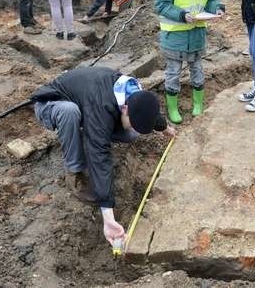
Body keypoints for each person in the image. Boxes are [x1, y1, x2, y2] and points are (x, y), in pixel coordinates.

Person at [31, 67, 175, 247]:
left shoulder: (133, 90)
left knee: (131, 134)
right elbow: (99, 155)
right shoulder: (101, 104)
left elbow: (147, 108)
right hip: (52, 103)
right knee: (70, 113)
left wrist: (164, 128)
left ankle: (88, 131)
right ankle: (74, 171)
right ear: (125, 108)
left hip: (88, 105)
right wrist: (108, 215)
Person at [154, 0, 225, 124]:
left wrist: (217, 8)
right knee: (173, 72)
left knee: (197, 70)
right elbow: (161, 5)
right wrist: (181, 14)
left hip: (196, 35)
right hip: (174, 36)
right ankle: (172, 108)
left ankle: (198, 105)